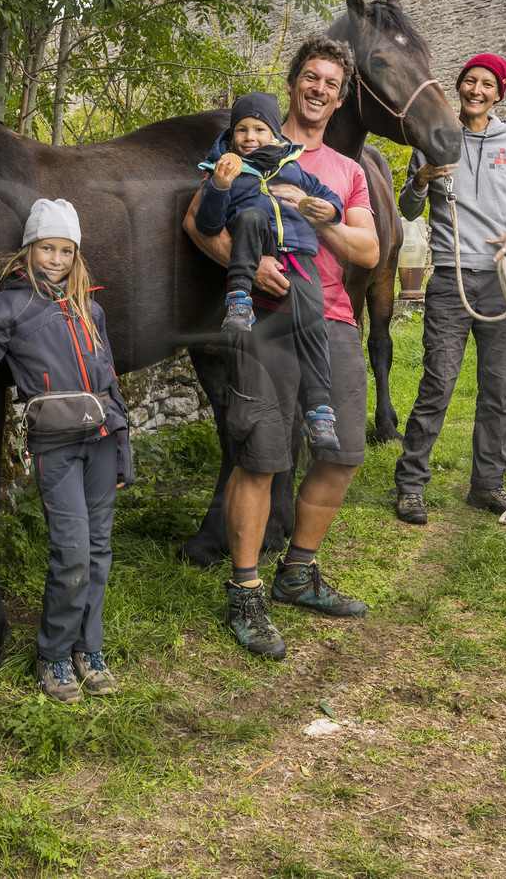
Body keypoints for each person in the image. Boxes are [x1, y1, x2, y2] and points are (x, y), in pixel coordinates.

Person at [181, 36, 383, 660]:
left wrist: (318, 215)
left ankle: (298, 571)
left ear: (340, 96)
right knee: (260, 456)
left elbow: (369, 253)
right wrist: (249, 264)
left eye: (331, 83)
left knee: (343, 451)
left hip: (334, 320)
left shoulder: (346, 171)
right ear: (294, 82)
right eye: (310, 78)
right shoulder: (246, 144)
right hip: (266, 320)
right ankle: (245, 590)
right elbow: (197, 222)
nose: (319, 89)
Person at [0, 199, 134, 703]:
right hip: (56, 447)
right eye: (47, 248)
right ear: (30, 250)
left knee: (99, 552)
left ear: (75, 255)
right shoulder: (11, 305)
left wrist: (123, 449)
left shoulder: (91, 308)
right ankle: (54, 656)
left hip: (102, 443)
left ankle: (89, 648)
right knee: (72, 554)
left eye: (65, 250)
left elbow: (110, 384)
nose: (57, 259)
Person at [393, 53, 506, 527]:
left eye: (486, 84)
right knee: (438, 382)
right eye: (469, 82)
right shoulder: (435, 139)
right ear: (459, 88)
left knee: (496, 389)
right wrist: (419, 180)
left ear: (500, 92)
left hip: (503, 280)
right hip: (451, 281)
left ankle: (487, 485)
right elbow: (410, 208)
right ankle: (411, 486)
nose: (476, 90)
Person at [194, 91, 345, 450]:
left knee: (313, 329)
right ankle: (239, 300)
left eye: (259, 129)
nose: (249, 137)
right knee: (250, 215)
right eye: (241, 130)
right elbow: (208, 225)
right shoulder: (222, 170)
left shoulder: (293, 168)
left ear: (276, 135)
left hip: (299, 261)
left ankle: (320, 412)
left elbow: (328, 198)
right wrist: (219, 186)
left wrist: (326, 209)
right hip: (254, 250)